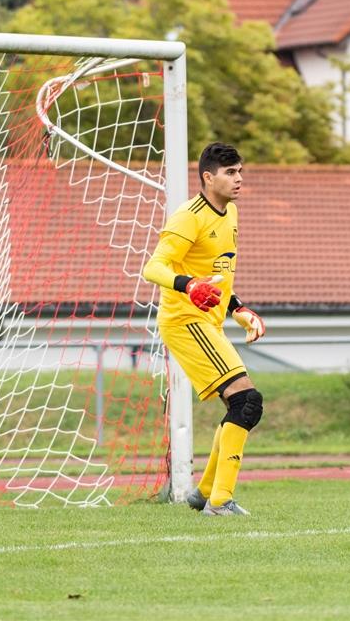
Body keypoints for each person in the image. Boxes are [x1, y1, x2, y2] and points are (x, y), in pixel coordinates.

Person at [141, 142, 267, 515]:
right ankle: (220, 500)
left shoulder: (231, 214)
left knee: (239, 404)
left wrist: (238, 308)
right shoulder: (189, 216)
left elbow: (217, 274)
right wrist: (187, 285)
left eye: (241, 171)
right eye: (230, 172)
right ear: (208, 177)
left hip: (208, 322)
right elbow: (154, 267)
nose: (239, 178)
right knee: (248, 401)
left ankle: (205, 492)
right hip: (184, 321)